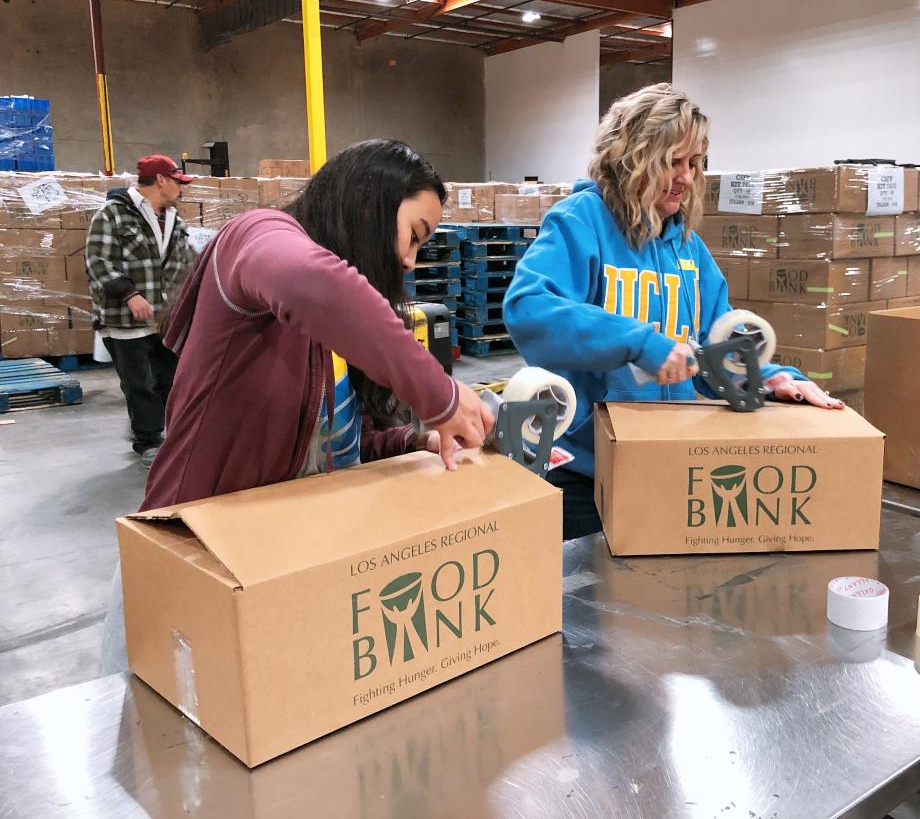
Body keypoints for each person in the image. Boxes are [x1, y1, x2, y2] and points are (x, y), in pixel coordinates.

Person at [100, 138, 493, 673]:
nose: (408, 259)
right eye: (413, 236)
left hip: (276, 566)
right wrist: (442, 397)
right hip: (195, 553)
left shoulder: (330, 335)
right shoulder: (257, 236)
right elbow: (312, 283)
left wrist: (416, 439)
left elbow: (324, 444)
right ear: (368, 205)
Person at [503, 83, 842, 541]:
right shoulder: (580, 222)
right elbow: (529, 309)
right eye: (672, 162)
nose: (686, 177)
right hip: (586, 469)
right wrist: (641, 342)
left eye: (696, 163)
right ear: (630, 157)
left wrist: (771, 377)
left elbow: (711, 352)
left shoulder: (689, 249)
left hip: (667, 459)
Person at [85, 154, 197, 467]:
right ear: (161, 180)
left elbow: (189, 263)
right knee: (140, 383)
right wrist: (129, 294)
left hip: (164, 319)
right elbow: (98, 261)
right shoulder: (113, 214)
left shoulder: (175, 220)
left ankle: (164, 434)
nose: (181, 189)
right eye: (178, 182)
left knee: (169, 380)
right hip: (125, 321)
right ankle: (147, 442)